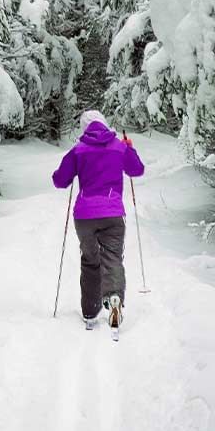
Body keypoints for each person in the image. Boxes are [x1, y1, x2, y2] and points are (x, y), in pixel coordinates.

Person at [52, 110, 145, 329]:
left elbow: (60, 181)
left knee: (90, 260)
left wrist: (72, 168)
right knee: (112, 257)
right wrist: (129, 148)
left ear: (85, 128)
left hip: (84, 217)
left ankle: (90, 311)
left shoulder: (78, 150)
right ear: (104, 124)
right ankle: (114, 298)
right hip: (112, 214)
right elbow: (137, 170)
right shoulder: (119, 147)